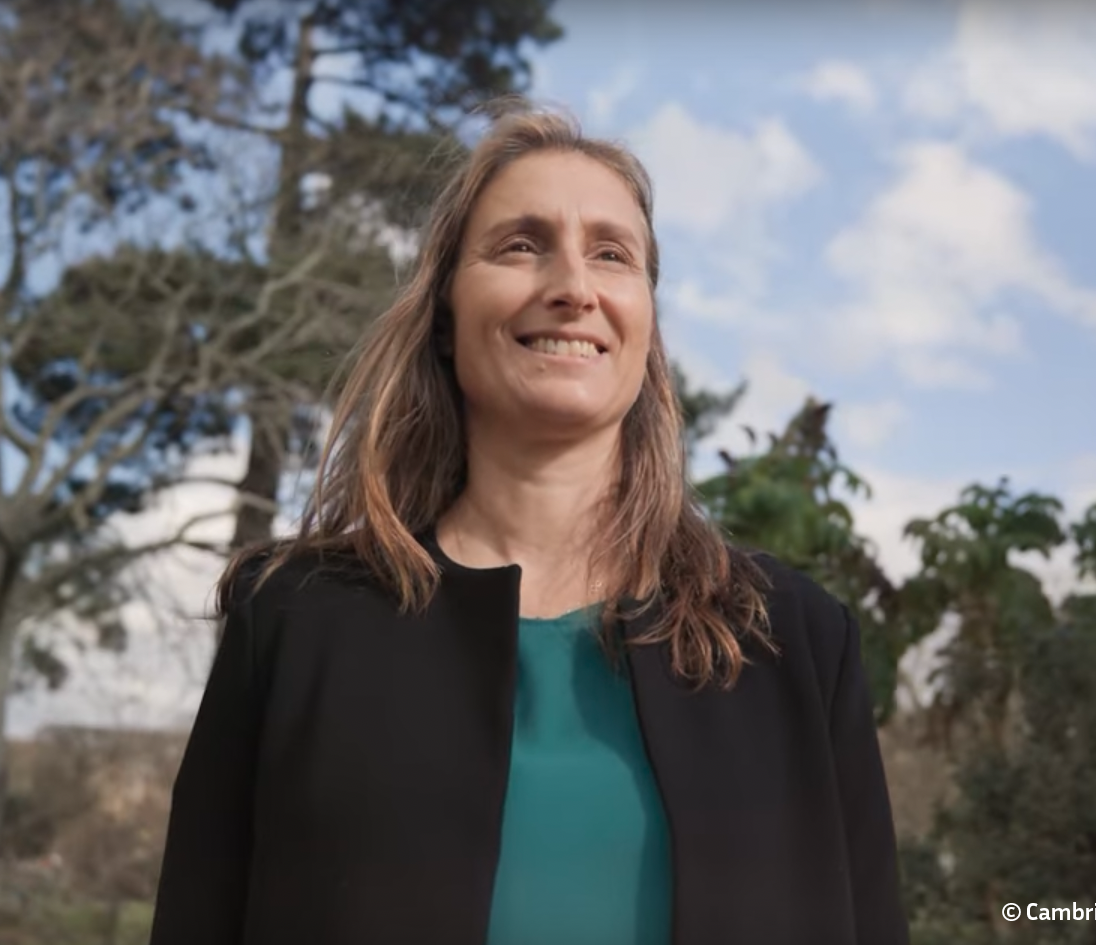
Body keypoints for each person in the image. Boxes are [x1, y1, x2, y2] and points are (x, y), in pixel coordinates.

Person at [148, 99, 909, 945]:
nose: (573, 288)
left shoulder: (795, 641)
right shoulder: (291, 619)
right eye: (520, 245)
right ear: (443, 315)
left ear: (644, 324)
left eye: (612, 255)